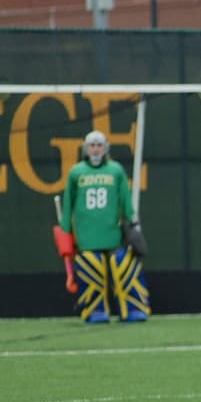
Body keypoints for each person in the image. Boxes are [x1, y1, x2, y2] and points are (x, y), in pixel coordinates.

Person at [60, 130, 150, 323]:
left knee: (124, 265)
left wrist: (133, 223)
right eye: (92, 145)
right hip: (87, 239)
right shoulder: (76, 172)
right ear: (85, 148)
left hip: (113, 235)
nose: (95, 149)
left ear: (105, 148)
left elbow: (126, 200)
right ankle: (94, 311)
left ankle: (134, 308)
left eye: (99, 145)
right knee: (91, 269)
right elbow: (68, 205)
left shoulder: (115, 170)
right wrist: (65, 232)